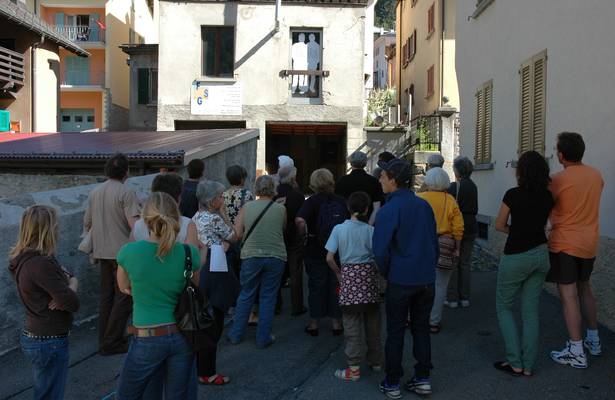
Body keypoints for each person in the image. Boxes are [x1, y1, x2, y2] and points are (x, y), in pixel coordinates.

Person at [116, 192, 200, 399]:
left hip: (147, 336)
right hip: (181, 334)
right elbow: (194, 287)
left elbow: (123, 287)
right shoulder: (189, 253)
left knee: (127, 394)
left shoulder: (129, 252)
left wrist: (145, 289)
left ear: (145, 220)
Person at [373, 158, 438, 398]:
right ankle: (422, 378)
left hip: (400, 278)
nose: (380, 179)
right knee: (421, 328)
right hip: (425, 277)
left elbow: (380, 251)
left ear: (393, 179)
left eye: (382, 176)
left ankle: (392, 382)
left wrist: (388, 272)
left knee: (396, 330)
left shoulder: (388, 210)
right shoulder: (423, 206)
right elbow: (434, 243)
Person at [493, 151, 554, 377]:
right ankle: (528, 365)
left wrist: (516, 231)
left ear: (521, 172)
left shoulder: (512, 195)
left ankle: (514, 361)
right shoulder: (549, 197)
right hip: (541, 254)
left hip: (516, 256)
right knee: (531, 312)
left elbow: (499, 225)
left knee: (504, 307)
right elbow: (549, 225)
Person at [9, 205, 80, 399]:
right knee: (49, 394)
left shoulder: (25, 258)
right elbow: (72, 302)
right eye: (56, 226)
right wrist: (72, 284)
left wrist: (63, 289)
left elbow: (62, 280)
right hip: (49, 340)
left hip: (36, 335)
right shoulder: (40, 264)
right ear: (47, 230)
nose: (58, 229)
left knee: (44, 389)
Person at [548, 132, 604, 368]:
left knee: (568, 296)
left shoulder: (557, 179)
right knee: (585, 290)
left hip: (565, 243)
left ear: (561, 155)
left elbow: (547, 207)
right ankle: (594, 340)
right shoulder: (596, 175)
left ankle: (576, 349)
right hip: (589, 241)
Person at [84, 153, 140, 355]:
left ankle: (105, 338)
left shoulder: (95, 192)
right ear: (126, 171)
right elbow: (134, 225)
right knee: (124, 296)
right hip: (122, 252)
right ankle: (112, 341)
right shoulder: (126, 192)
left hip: (101, 250)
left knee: (106, 297)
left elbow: (88, 222)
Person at [325, 191, 383, 381]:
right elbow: (377, 257)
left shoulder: (339, 229)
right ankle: (375, 362)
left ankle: (354, 368)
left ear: (348, 208)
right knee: (372, 322)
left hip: (349, 278)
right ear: (366, 209)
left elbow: (329, 258)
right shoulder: (370, 231)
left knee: (351, 324)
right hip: (368, 278)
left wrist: (339, 274)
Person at [227, 175, 287, 348]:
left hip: (251, 255)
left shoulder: (246, 208)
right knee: (268, 297)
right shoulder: (281, 209)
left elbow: (237, 235)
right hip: (276, 255)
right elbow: (282, 229)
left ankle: (236, 334)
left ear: (257, 188)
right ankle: (263, 338)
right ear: (273, 189)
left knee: (246, 294)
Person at [192, 180, 240, 385]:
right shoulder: (214, 219)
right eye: (221, 197)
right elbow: (234, 235)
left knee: (202, 318)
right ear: (212, 201)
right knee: (214, 320)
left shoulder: (195, 217)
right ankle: (207, 371)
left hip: (201, 268)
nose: (223, 199)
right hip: (216, 266)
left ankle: (199, 368)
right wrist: (227, 220)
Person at [296, 169, 347, 337]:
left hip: (315, 248)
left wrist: (303, 234)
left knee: (316, 285)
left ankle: (314, 323)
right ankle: (336, 322)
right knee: (336, 284)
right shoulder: (341, 201)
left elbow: (300, 220)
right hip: (337, 249)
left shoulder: (311, 202)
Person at [417, 168, 464, 334]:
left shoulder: (419, 198)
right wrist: (457, 248)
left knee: (417, 283)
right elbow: (458, 227)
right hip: (444, 244)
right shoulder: (450, 200)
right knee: (440, 285)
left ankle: (414, 317)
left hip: (421, 244)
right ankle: (433, 321)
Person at [131, 173, 199, 247]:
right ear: (179, 198)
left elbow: (130, 254)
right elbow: (193, 256)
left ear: (154, 195)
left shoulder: (138, 225)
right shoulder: (188, 225)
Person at [446, 156, 478, 308]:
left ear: (457, 170)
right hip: (471, 226)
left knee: (453, 262)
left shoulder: (454, 187)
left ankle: (452, 298)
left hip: (458, 226)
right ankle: (465, 297)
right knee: (465, 263)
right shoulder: (473, 186)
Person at [276, 165, 307, 316]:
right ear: (293, 178)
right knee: (296, 272)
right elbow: (300, 219)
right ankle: (297, 306)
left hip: (277, 235)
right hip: (294, 236)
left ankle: (276, 305)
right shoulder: (298, 195)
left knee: (276, 272)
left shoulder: (273, 192)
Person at [335, 151, 384, 225]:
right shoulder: (374, 181)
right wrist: (369, 225)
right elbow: (377, 208)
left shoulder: (342, 181)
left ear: (351, 163)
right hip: (368, 223)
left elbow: (338, 206)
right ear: (365, 164)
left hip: (346, 225)